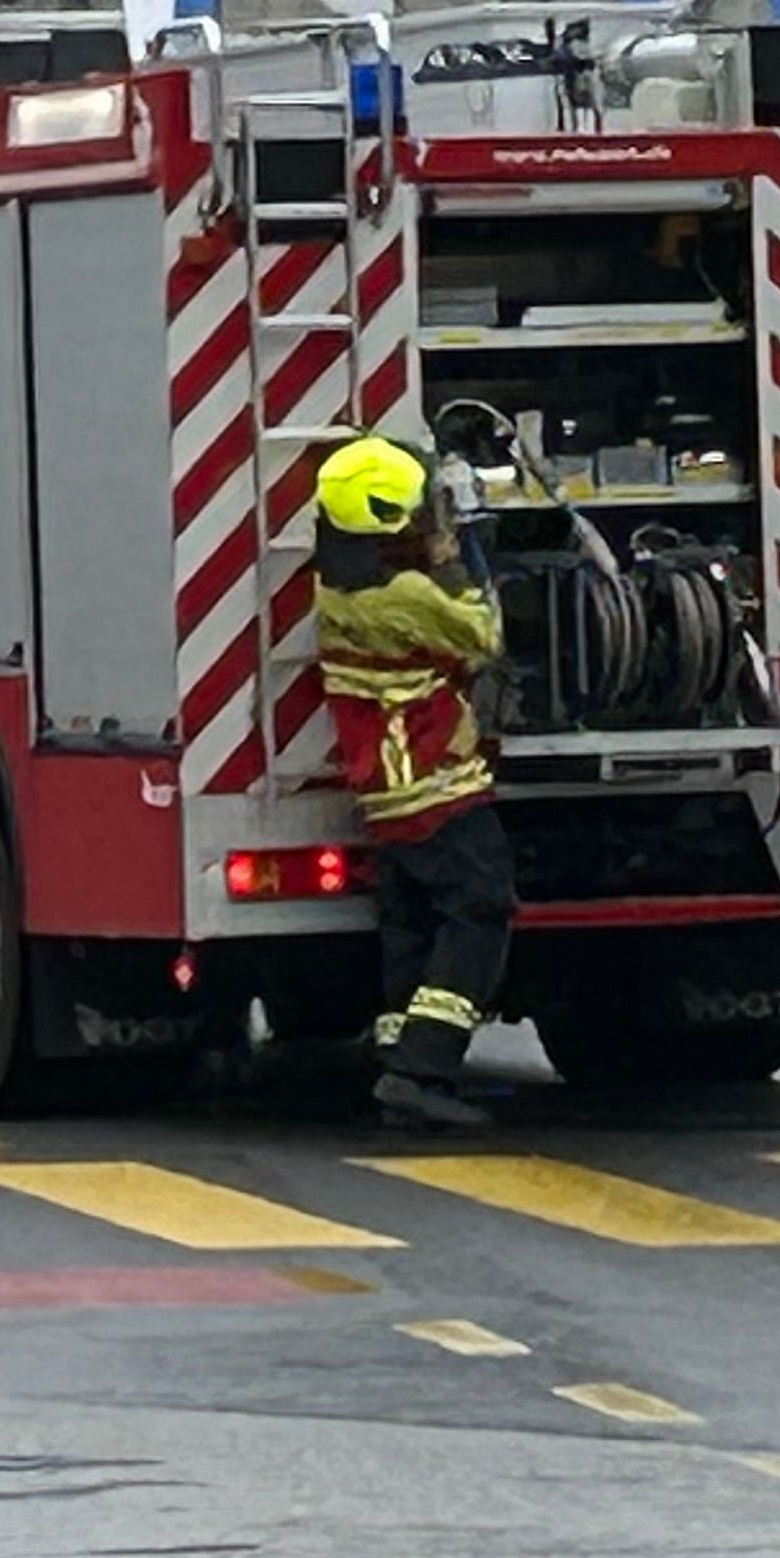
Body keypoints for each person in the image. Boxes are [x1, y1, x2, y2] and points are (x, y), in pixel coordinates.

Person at [309, 436, 512, 1133]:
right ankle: (424, 1067)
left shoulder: (334, 588)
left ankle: (397, 1052)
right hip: (434, 784)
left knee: (411, 921)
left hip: (386, 791)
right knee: (480, 906)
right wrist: (466, 545)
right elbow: (485, 634)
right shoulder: (407, 596)